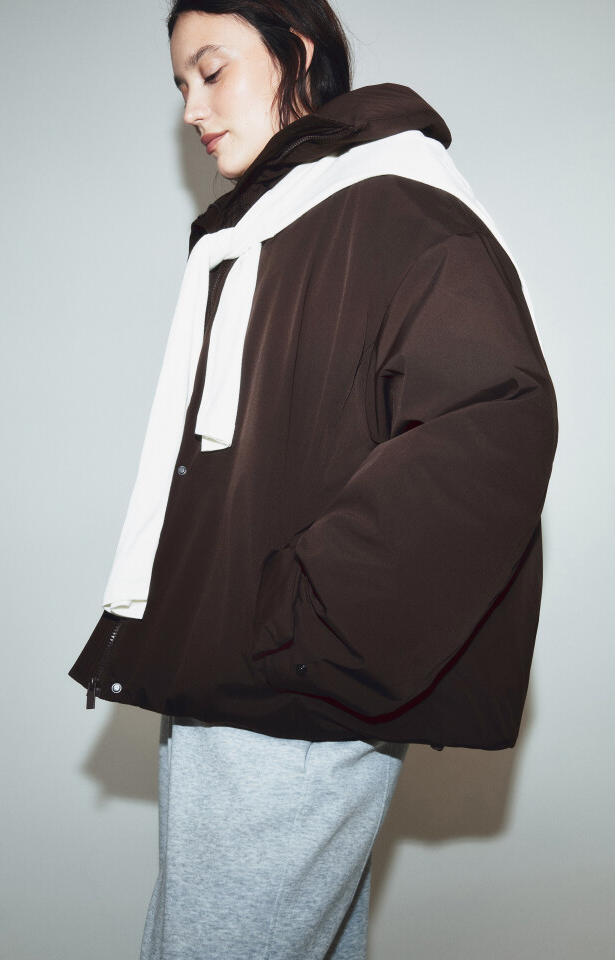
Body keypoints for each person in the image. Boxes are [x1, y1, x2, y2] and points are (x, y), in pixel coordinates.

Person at [68, 1, 558, 957]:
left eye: (212, 71)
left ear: (294, 51)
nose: (191, 109)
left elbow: (493, 415)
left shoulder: (391, 202)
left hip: (288, 683)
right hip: (252, 674)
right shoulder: (276, 224)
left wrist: (308, 618)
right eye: (180, 84)